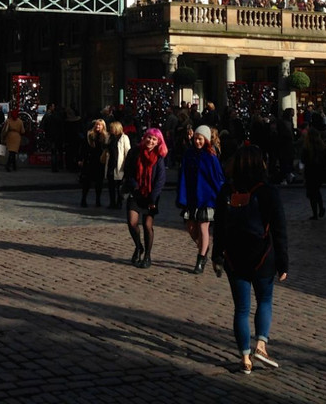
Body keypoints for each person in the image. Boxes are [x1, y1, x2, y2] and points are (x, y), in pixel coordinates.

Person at [212, 144, 289, 375]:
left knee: (241, 309)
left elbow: (220, 228)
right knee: (264, 301)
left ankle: (245, 358)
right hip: (262, 256)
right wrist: (283, 262)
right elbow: (279, 230)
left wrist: (217, 255)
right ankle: (261, 345)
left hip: (234, 257)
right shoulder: (268, 191)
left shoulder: (227, 190)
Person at [177, 124, 226, 274]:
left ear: (205, 140)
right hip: (191, 197)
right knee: (191, 228)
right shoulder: (189, 154)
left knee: (203, 227)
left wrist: (222, 197)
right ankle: (204, 247)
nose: (198, 142)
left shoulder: (211, 157)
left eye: (200, 139)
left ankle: (201, 258)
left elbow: (218, 179)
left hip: (206, 198)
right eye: (196, 139)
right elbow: (183, 176)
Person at [121, 128, 168, 269]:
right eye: (149, 138)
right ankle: (138, 246)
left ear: (158, 142)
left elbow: (161, 179)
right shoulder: (135, 152)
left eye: (154, 139)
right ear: (145, 137)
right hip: (136, 192)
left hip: (151, 195)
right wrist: (134, 186)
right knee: (132, 222)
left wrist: (153, 198)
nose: (150, 141)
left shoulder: (159, 156)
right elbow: (128, 171)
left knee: (147, 225)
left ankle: (147, 256)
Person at [301, 127, 326, 220]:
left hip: (310, 171)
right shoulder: (322, 146)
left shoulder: (307, 147)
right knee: (316, 191)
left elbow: (303, 160)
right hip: (319, 171)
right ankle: (320, 208)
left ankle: (315, 213)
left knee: (312, 193)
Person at [80, 118, 108, 207]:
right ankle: (83, 199)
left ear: (103, 126)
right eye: (97, 125)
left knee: (99, 183)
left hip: (100, 162)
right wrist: (81, 159)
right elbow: (83, 148)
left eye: (100, 125)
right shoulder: (89, 135)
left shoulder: (105, 136)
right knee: (86, 182)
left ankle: (98, 200)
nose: (98, 126)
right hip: (89, 161)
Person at [104, 121, 132, 209]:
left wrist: (128, 163)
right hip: (111, 163)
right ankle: (112, 202)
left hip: (120, 164)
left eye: (112, 127)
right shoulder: (109, 137)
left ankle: (119, 202)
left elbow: (127, 151)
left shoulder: (124, 138)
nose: (110, 129)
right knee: (111, 185)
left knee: (119, 186)